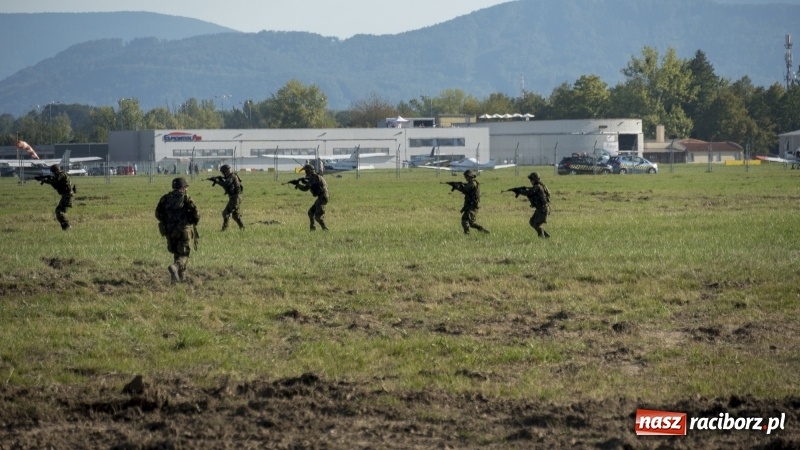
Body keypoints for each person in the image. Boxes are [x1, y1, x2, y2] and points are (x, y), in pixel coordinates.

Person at [155, 177, 200, 283]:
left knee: (177, 252)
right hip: (184, 230)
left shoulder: (165, 198)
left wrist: (168, 221)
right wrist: (193, 221)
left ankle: (178, 279)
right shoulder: (186, 198)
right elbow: (196, 213)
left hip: (170, 231)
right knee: (184, 254)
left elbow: (158, 214)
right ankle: (175, 267)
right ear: (183, 188)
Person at [37, 164, 74, 231]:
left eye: (53, 172)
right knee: (58, 212)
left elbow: (55, 181)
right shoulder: (59, 175)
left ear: (56, 170)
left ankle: (67, 226)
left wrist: (46, 179)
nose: (53, 173)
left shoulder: (61, 174)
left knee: (59, 212)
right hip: (65, 195)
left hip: (68, 195)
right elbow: (54, 182)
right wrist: (44, 180)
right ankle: (65, 227)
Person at [294, 164, 329, 231]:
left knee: (318, 216)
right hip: (321, 197)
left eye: (306, 171)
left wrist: (298, 185)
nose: (305, 173)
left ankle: (325, 229)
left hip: (323, 198)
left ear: (308, 171)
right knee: (310, 212)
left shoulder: (314, 178)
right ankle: (312, 228)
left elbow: (305, 188)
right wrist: (303, 182)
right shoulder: (314, 177)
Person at [454, 169, 489, 235]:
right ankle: (485, 232)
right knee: (471, 223)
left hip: (472, 205)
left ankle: (467, 234)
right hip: (472, 205)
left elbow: (465, 190)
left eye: (466, 177)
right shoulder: (472, 183)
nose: (465, 178)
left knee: (464, 220)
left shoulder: (472, 183)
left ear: (469, 176)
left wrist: (457, 187)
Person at [213, 164, 244, 231]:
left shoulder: (232, 176)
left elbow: (226, 184)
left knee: (226, 213)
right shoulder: (230, 176)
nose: (222, 174)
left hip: (235, 198)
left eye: (222, 172)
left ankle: (224, 229)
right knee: (235, 215)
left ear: (225, 171)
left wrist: (218, 181)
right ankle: (242, 227)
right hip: (234, 198)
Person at [524, 172, 551, 238]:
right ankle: (546, 235)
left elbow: (530, 193)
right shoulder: (539, 186)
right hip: (540, 209)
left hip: (543, 209)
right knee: (532, 222)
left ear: (535, 179)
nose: (530, 181)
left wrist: (521, 191)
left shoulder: (538, 187)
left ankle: (542, 237)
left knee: (536, 224)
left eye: (531, 179)